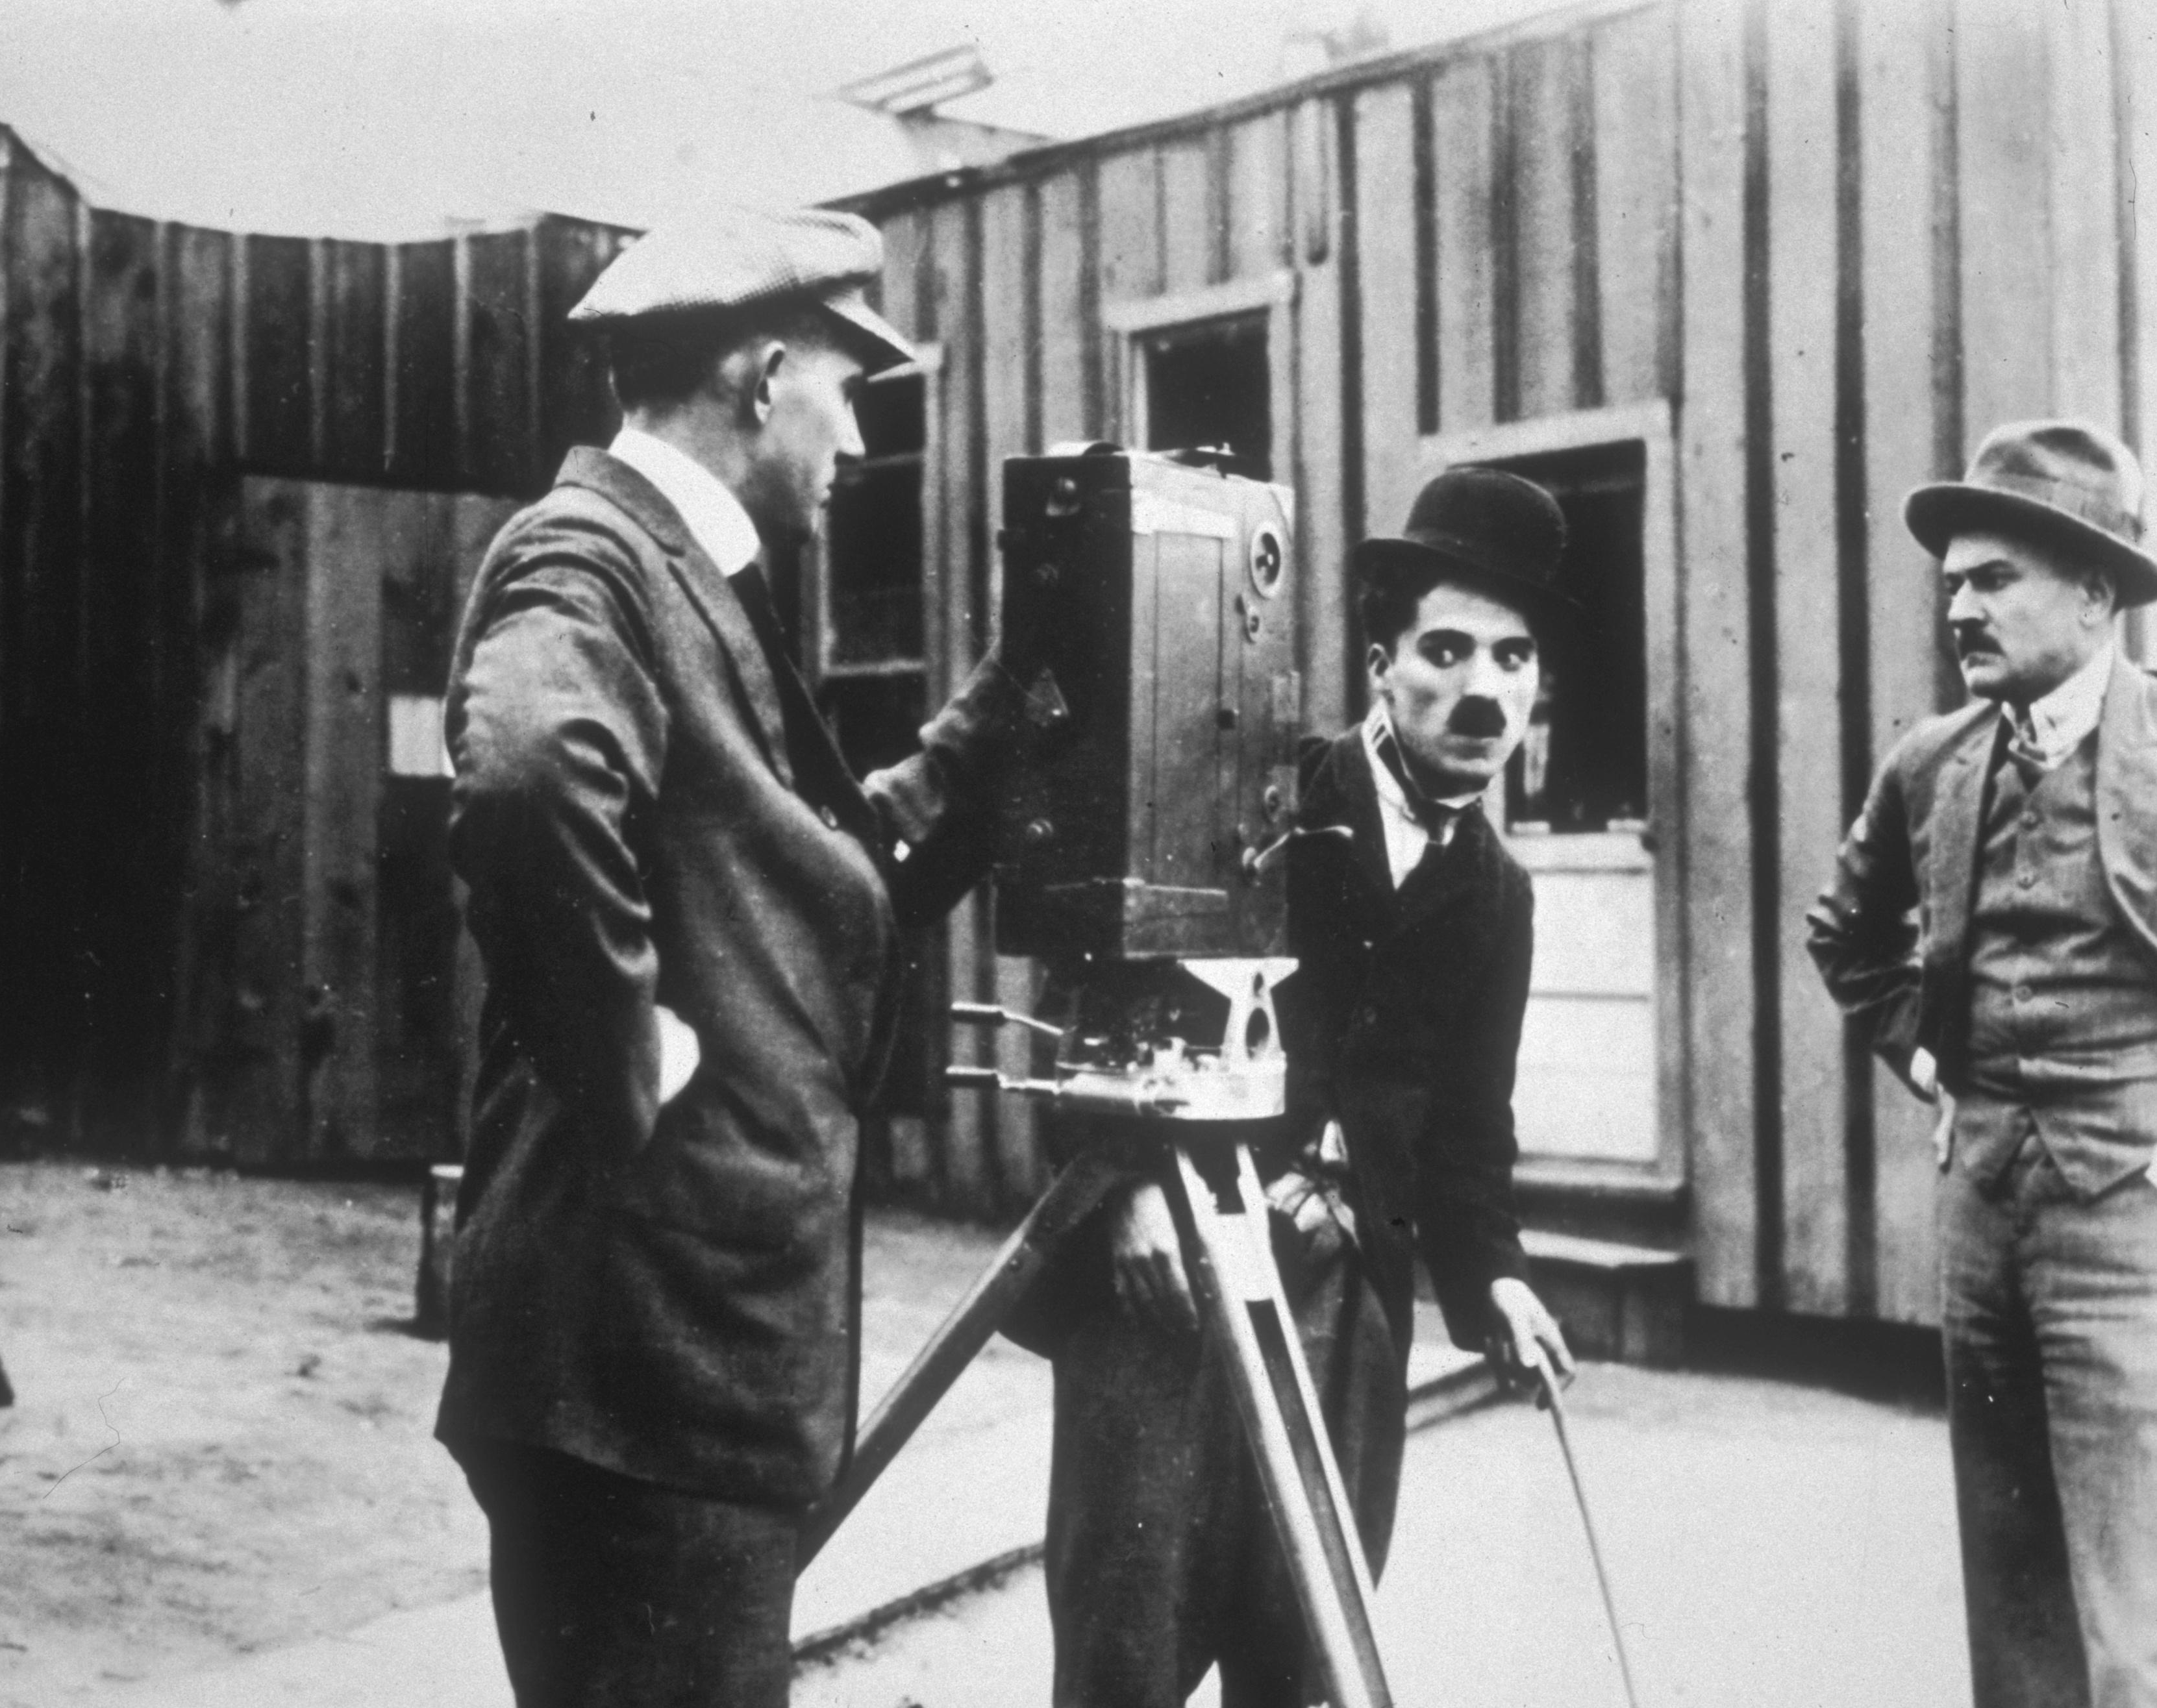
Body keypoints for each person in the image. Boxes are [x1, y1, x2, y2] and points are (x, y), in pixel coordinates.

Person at [434, 205, 1065, 1708]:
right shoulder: (592, 555)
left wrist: (1021, 679)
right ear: (765, 373)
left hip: (673, 1375)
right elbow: (524, 768)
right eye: (848, 390)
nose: (852, 439)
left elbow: (813, 882)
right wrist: (624, 1048)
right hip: (642, 1374)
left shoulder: (688, 580)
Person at [1032, 466, 1577, 1708]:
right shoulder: (1256, 801)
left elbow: (1467, 1126)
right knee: (1130, 1653)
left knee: (1310, 1662)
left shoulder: (1497, 895)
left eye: (1514, 658)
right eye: (1447, 649)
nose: (1481, 690)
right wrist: (1120, 1204)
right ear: (1383, 661)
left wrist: (1492, 1271)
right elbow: (1096, 1014)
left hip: (1348, 1316)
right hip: (1170, 1284)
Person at [1810, 419, 2157, 1708]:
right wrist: (1925, 1062)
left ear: (2093, 588)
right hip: (1981, 1195)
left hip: (2129, 1200)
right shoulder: (1934, 759)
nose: (1958, 604)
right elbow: (1843, 933)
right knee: (2003, 1538)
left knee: (2132, 1566)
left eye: (1991, 578)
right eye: (1951, 581)